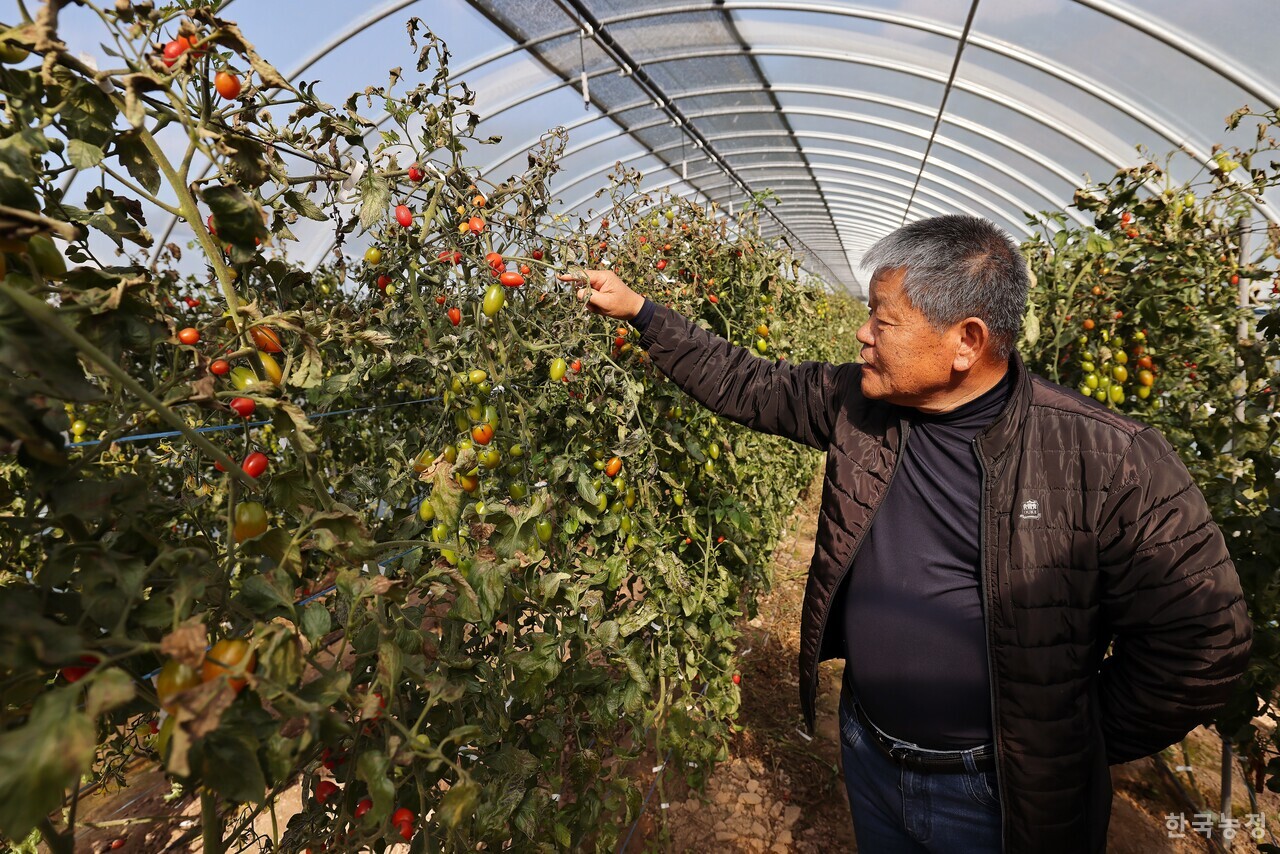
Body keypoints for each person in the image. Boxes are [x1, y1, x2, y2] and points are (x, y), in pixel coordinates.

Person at [563, 214, 1253, 853]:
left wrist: (1067, 737)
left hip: (997, 799)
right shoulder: (861, 405)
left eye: (882, 320)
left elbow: (1205, 639)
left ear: (967, 341)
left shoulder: (1107, 458)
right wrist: (642, 313)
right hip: (869, 753)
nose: (863, 335)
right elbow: (749, 383)